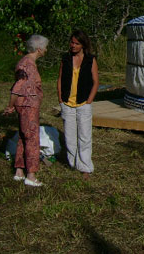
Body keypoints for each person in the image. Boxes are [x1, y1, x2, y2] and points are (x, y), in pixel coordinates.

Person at [3, 34, 48, 187]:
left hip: (27, 106)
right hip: (28, 106)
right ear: (39, 49)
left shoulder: (26, 62)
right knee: (32, 139)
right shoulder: (27, 64)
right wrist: (10, 105)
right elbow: (17, 87)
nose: (46, 50)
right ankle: (31, 175)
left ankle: (19, 171)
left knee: (23, 136)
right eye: (45, 47)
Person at [57, 30, 99, 180]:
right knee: (69, 136)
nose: (73, 45)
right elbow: (60, 79)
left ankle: (85, 167)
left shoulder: (90, 60)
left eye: (77, 43)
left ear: (83, 45)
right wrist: (60, 100)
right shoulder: (66, 58)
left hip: (83, 102)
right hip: (67, 102)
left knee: (85, 136)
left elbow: (96, 82)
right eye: (72, 42)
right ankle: (74, 163)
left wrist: (89, 100)